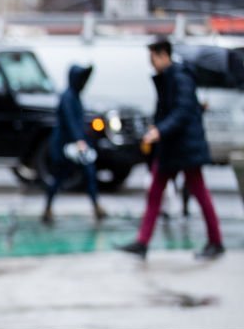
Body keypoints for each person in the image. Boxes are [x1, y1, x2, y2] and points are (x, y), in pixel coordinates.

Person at [118, 38, 224, 260]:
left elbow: (182, 112)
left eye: (153, 58)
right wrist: (157, 128)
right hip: (172, 148)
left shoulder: (180, 77)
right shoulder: (169, 77)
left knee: (199, 193)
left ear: (163, 54)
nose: (151, 63)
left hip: (184, 148)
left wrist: (160, 131)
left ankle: (216, 242)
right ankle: (142, 242)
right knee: (156, 193)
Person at [41, 65, 107, 224]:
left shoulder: (74, 96)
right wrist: (80, 140)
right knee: (62, 176)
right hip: (65, 146)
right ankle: (48, 207)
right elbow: (71, 122)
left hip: (73, 146)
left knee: (87, 173)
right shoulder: (68, 97)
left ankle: (95, 205)